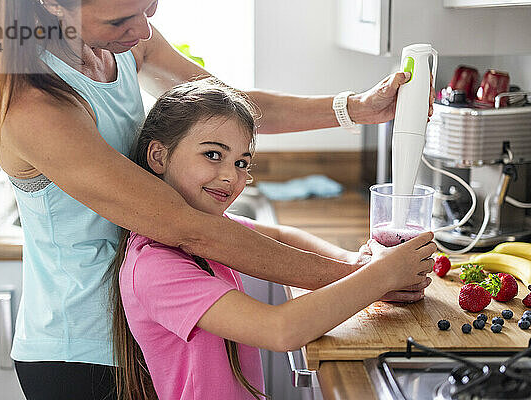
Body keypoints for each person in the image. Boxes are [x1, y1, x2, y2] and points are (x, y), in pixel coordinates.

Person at [0, 0, 435, 398]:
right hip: (84, 353)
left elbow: (227, 108)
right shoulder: (33, 107)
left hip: (151, 331)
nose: (143, 31)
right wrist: (365, 278)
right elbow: (186, 227)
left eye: (149, 9)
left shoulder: (123, 40)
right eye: (122, 18)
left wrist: (357, 107)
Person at [108, 79, 436, 400]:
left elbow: (280, 235)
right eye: (212, 155)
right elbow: (280, 329)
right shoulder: (155, 266)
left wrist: (355, 262)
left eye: (241, 163)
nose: (229, 176)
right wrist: (380, 276)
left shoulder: (211, 229)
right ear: (158, 156)